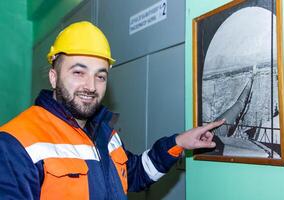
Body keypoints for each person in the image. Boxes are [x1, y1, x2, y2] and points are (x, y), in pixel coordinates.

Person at [0, 21, 224, 200]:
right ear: (54, 77)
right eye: (79, 72)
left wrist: (179, 143)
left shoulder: (104, 132)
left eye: (100, 76)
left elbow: (134, 174)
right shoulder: (16, 143)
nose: (90, 86)